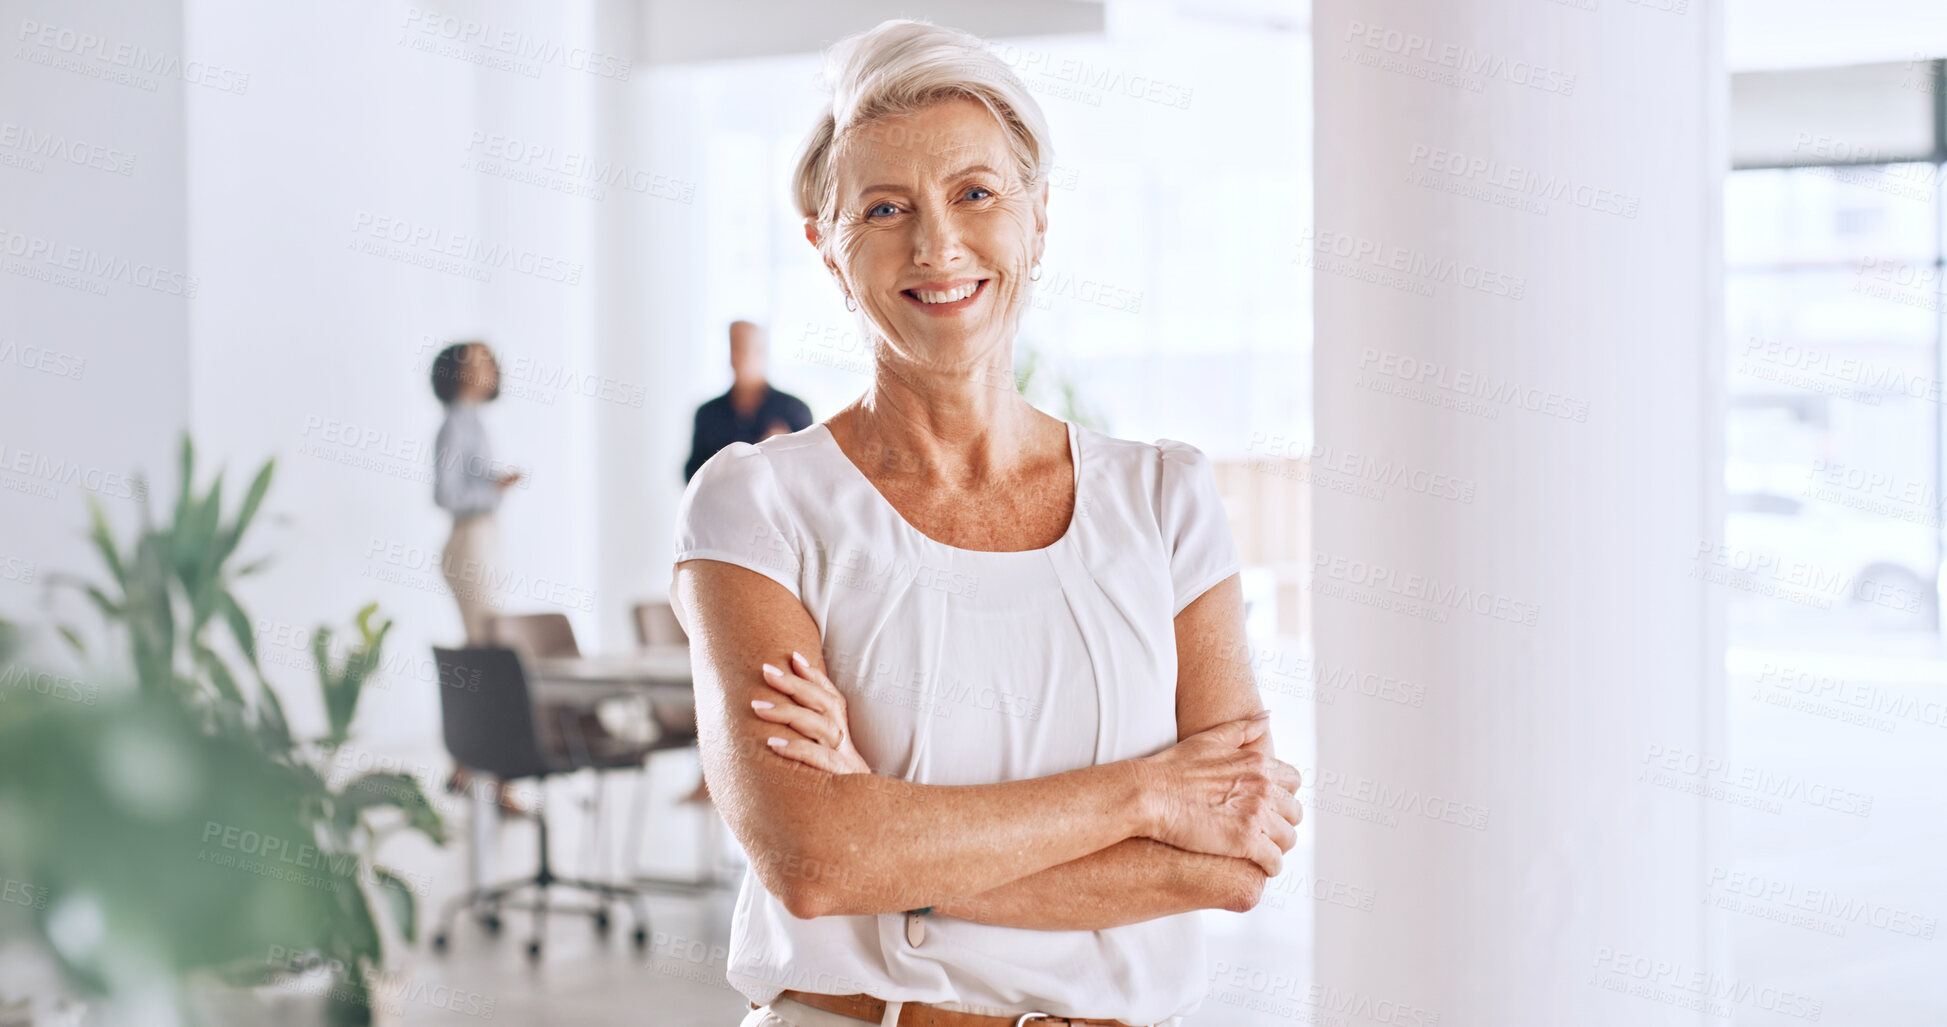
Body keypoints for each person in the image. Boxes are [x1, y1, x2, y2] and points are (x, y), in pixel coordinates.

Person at [669, 20, 1302, 1027]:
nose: (937, 244)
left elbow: (1227, 861)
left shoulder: (1166, 500)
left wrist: (885, 842)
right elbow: (808, 857)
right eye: (884, 208)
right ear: (827, 248)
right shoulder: (756, 503)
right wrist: (1147, 794)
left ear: (1038, 218)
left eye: (975, 192)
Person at [431, 341, 522, 645]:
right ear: (457, 372)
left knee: (489, 634)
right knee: (486, 637)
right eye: (477, 362)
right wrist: (491, 490)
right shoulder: (455, 425)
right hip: (468, 536)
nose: (488, 369)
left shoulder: (474, 423)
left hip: (484, 533)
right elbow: (446, 495)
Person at [683, 321, 815, 482]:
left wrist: (782, 453)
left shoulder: (795, 410)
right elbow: (692, 475)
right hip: (723, 506)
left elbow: (809, 475)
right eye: (732, 347)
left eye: (742, 349)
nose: (735, 357)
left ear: (761, 352)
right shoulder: (707, 413)